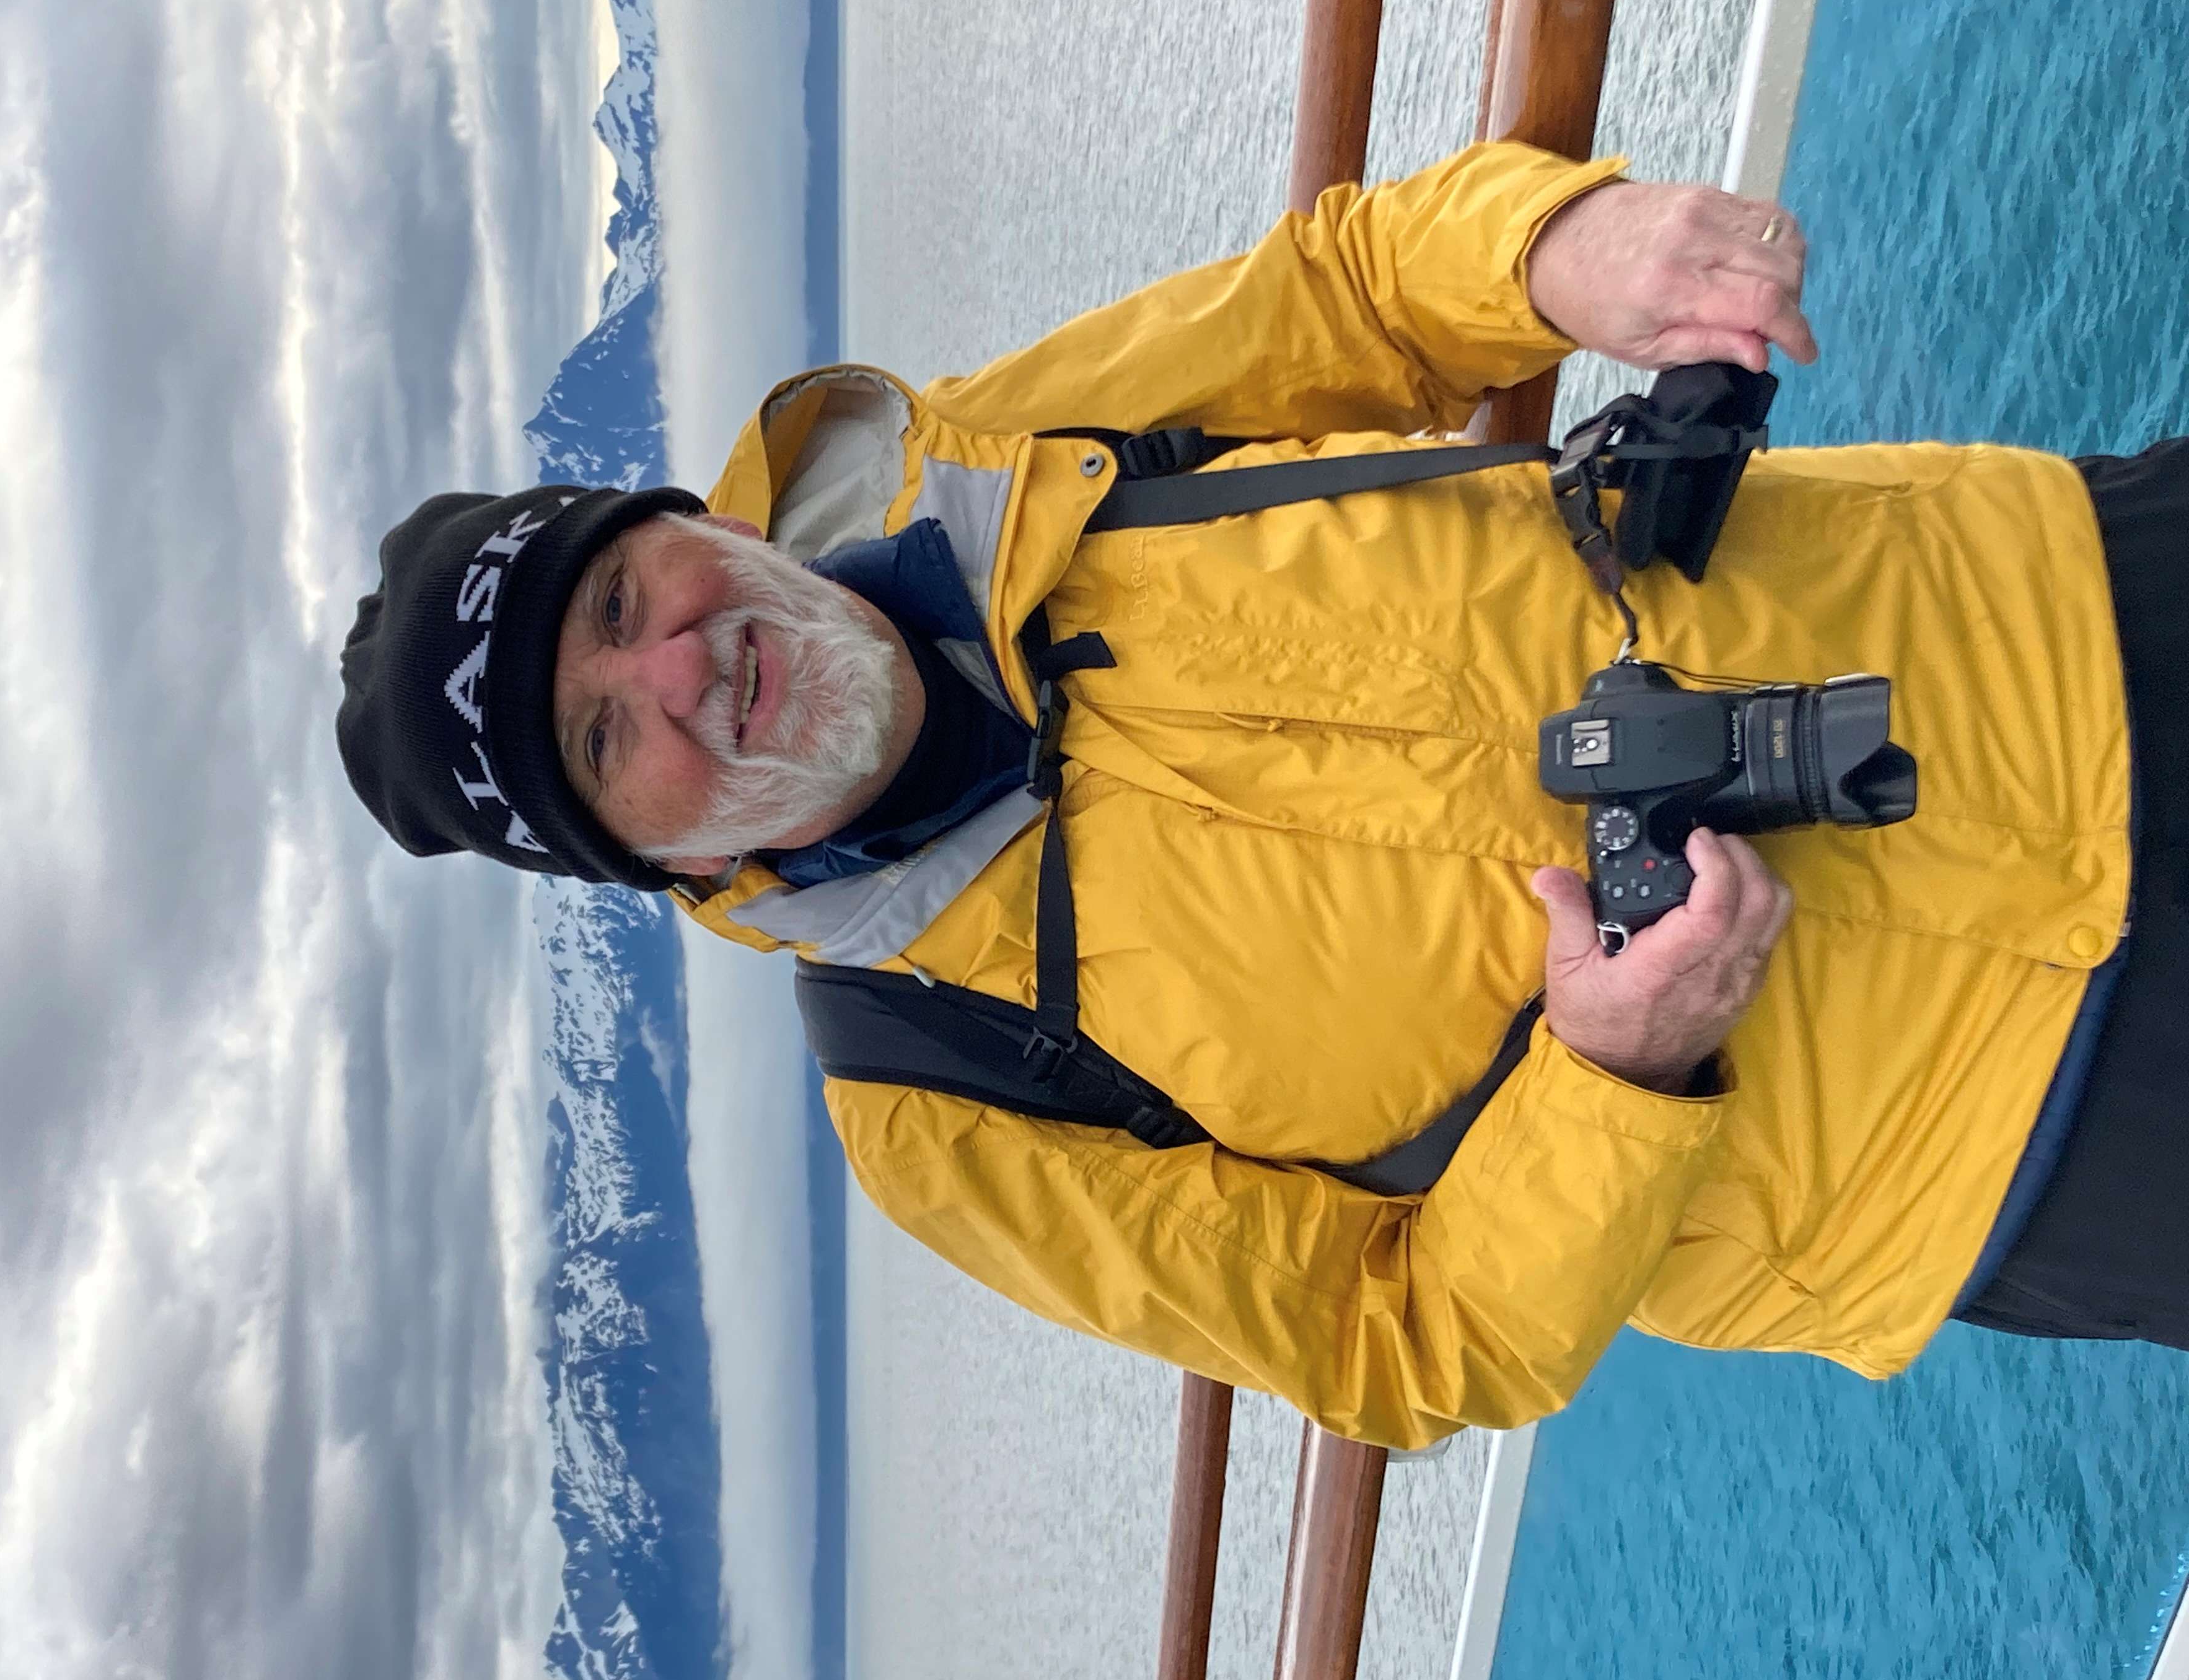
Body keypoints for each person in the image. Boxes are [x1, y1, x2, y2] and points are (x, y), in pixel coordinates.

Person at [336, 141, 2185, 1449]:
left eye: (621, 595)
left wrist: (1559, 253)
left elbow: (1355, 290)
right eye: (601, 738)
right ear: (649, 858)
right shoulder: (939, 1093)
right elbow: (1406, 1343)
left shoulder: (1015, 441)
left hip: (2054, 609)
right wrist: (1616, 1076)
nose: (677, 667)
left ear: (690, 525)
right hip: (2023, 1145)